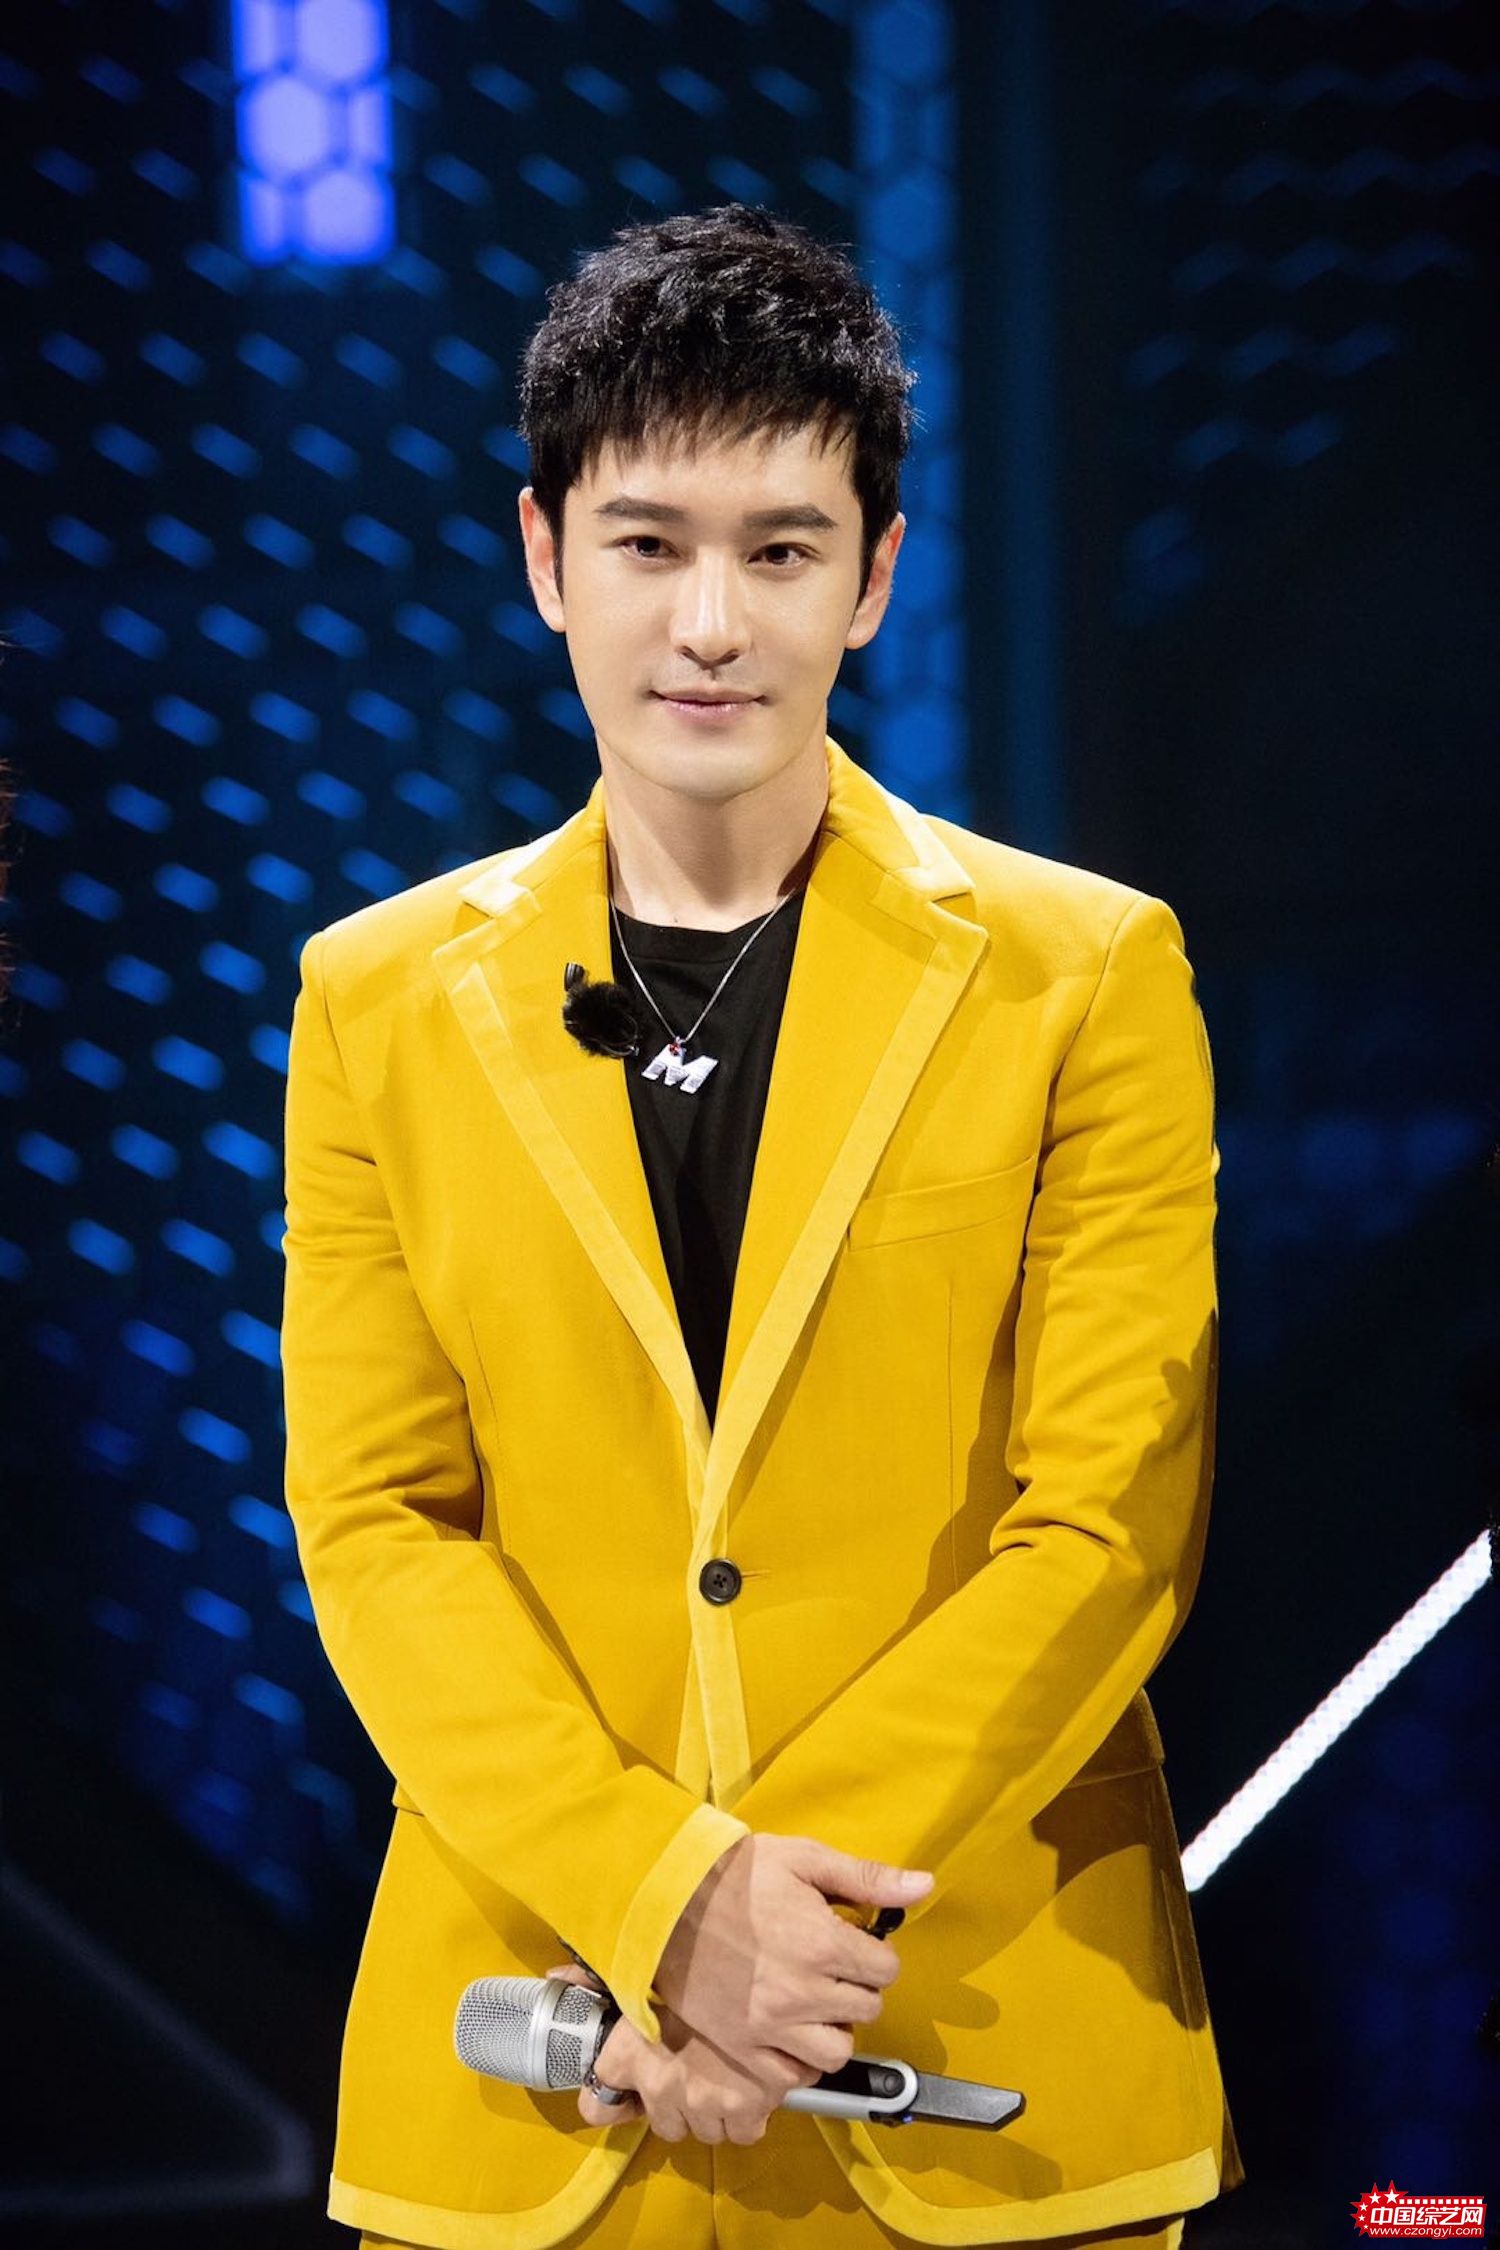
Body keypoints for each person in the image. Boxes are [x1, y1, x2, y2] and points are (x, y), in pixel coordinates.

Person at [280, 203, 1244, 2249]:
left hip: (980, 2067)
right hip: (537, 2074)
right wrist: (659, 1903)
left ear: (874, 577)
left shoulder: (1085, 974)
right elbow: (376, 1524)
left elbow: (1110, 1522)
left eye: (781, 552)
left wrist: (758, 1931)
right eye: (649, 544)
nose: (710, 623)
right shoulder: (372, 1001)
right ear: (546, 559)